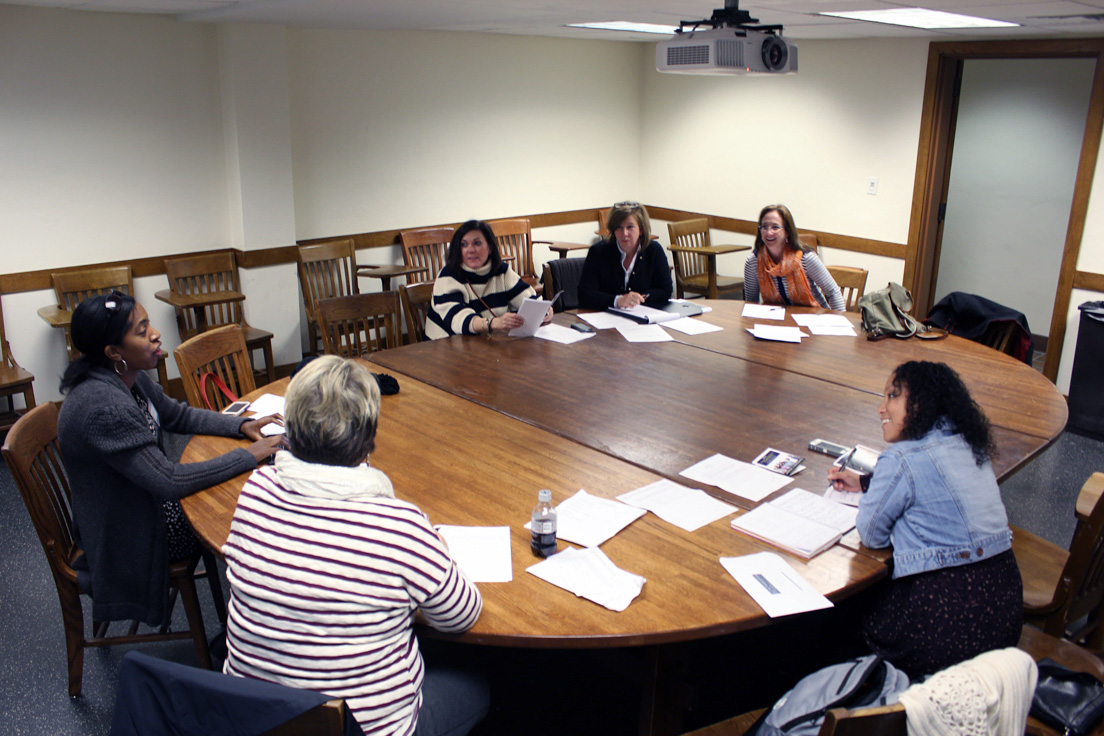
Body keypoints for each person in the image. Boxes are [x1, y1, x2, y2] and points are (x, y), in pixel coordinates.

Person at [222, 356, 487, 736]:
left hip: (253, 718)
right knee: (479, 687)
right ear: (370, 439)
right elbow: (461, 616)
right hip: (363, 729)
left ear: (289, 429)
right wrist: (438, 553)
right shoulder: (401, 525)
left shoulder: (256, 491)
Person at [57, 291, 283, 627]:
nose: (155, 334)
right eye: (141, 330)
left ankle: (252, 619)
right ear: (113, 352)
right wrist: (248, 455)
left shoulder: (125, 378)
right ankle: (259, 626)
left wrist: (241, 425)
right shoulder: (104, 406)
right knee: (250, 517)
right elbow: (168, 480)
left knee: (246, 501)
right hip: (130, 531)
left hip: (135, 502)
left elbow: (177, 416)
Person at [828, 360, 1022, 678]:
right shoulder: (970, 444)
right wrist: (865, 482)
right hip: (1004, 617)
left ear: (920, 402)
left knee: (843, 615)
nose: (881, 408)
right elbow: (933, 481)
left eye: (892, 396)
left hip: (945, 628)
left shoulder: (900, 458)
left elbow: (872, 534)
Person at [425, 219, 549, 339]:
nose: (470, 250)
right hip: (445, 347)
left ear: (490, 248)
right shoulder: (449, 275)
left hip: (484, 342)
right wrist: (494, 323)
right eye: (464, 245)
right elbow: (459, 321)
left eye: (477, 243)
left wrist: (544, 311)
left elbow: (529, 300)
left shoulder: (501, 271)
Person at [743, 204, 845, 311]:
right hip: (778, 322)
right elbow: (751, 302)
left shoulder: (806, 259)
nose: (769, 232)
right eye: (764, 227)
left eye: (775, 227)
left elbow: (833, 292)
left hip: (816, 318)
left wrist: (840, 321)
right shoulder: (753, 262)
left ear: (787, 231)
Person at [578, 201, 673, 310]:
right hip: (605, 318)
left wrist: (639, 298)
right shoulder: (598, 251)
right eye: (619, 227)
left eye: (630, 227)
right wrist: (617, 300)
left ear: (641, 229)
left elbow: (665, 290)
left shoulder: (654, 250)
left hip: (642, 317)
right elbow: (584, 294)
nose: (624, 233)